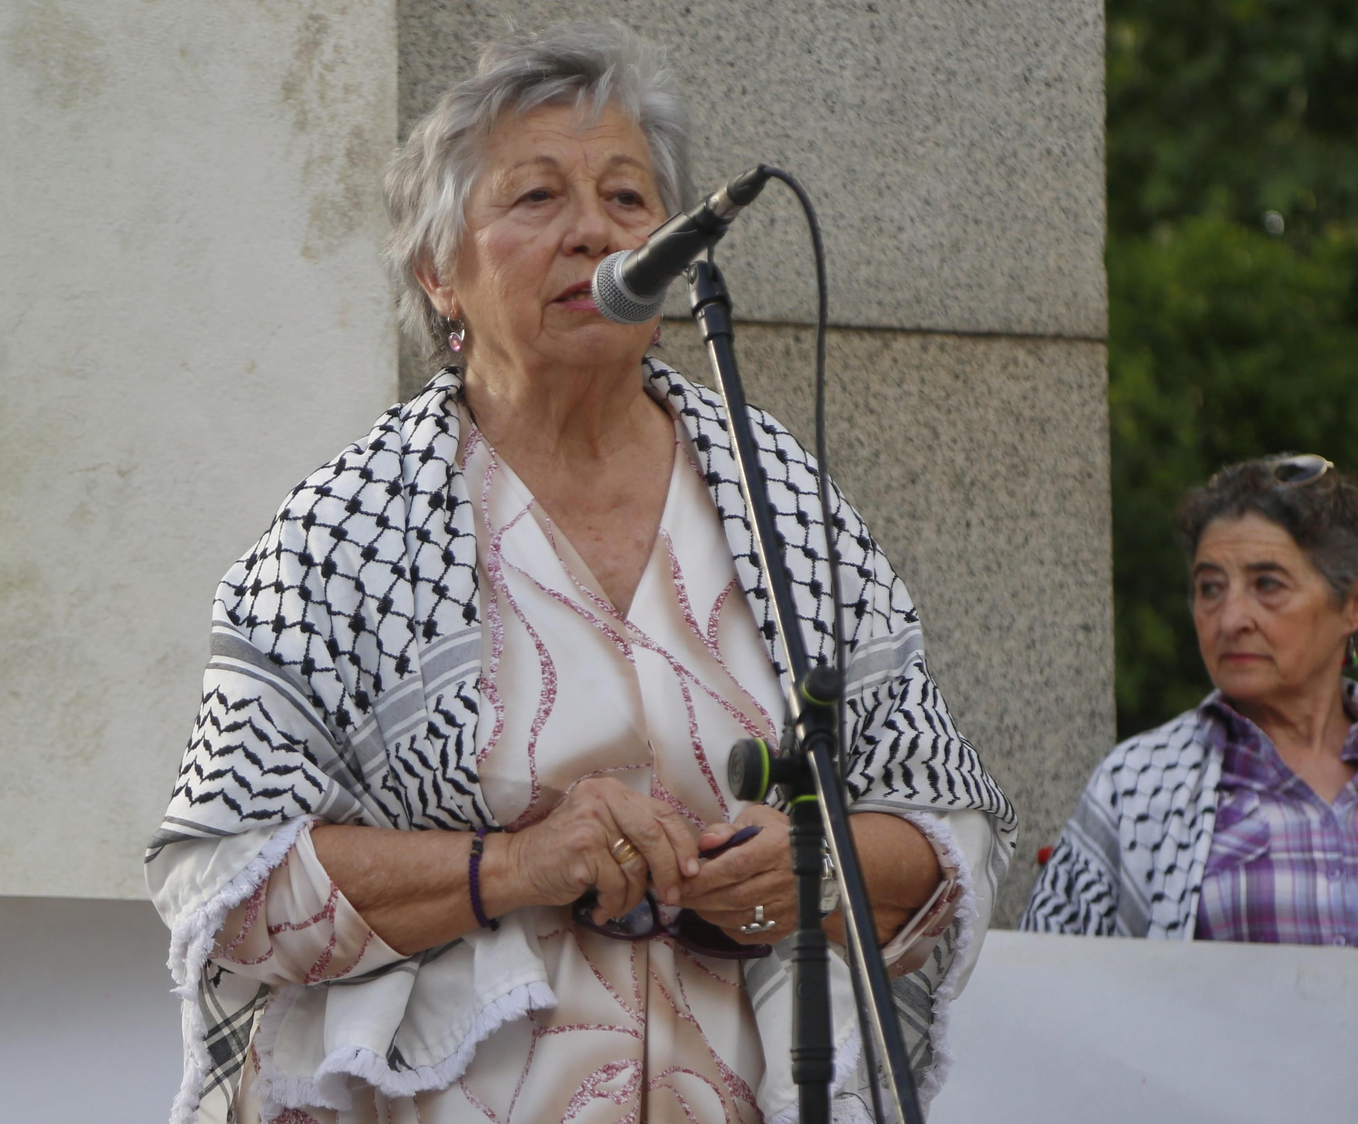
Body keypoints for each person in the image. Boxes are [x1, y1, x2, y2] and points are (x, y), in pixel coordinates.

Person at [146, 23, 1016, 1124]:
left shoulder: (776, 495)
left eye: (625, 198)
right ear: (438, 273)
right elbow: (219, 884)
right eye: (535, 198)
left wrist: (808, 867)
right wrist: (511, 866)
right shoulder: (344, 524)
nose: (592, 231)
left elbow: (950, 830)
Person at [1024, 454, 1358, 964]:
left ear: (1355, 604)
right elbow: (1045, 991)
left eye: (1268, 584)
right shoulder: (1137, 785)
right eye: (1209, 587)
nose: (1230, 616)